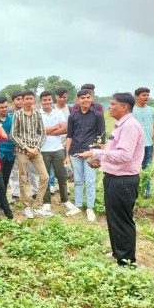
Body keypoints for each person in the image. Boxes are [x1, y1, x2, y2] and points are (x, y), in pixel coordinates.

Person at [76, 93, 144, 267]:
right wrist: (101, 162)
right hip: (114, 178)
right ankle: (117, 251)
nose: (109, 107)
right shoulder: (120, 125)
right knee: (114, 218)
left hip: (123, 181)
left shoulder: (129, 126)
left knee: (122, 220)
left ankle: (126, 260)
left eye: (113, 104)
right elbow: (116, 152)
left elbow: (124, 155)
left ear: (124, 107)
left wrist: (95, 153)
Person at [65, 89, 106, 222]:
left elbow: (101, 136)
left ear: (91, 98)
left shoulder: (98, 115)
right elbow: (69, 136)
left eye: (88, 97)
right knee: (77, 180)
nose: (86, 100)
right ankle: (77, 205)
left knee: (90, 180)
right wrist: (67, 154)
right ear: (78, 100)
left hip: (91, 153)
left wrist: (100, 155)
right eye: (82, 98)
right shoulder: (72, 116)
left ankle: (90, 207)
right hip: (75, 151)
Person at [10, 91, 50, 219]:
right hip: (22, 151)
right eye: (26, 98)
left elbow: (42, 133)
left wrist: (37, 147)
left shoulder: (37, 114)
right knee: (23, 178)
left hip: (35, 150)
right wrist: (26, 147)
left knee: (44, 176)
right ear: (22, 100)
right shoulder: (17, 114)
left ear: (34, 100)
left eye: (30, 98)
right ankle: (27, 206)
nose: (28, 101)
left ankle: (38, 205)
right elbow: (13, 134)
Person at [39, 91, 77, 215]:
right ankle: (46, 202)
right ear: (41, 101)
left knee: (62, 176)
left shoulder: (58, 112)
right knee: (44, 177)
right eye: (44, 100)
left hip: (58, 149)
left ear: (52, 100)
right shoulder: (37, 114)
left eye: (49, 100)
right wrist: (55, 127)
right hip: (43, 150)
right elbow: (38, 131)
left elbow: (65, 129)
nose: (47, 102)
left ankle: (65, 199)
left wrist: (46, 131)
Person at [8, 91, 38, 201]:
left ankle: (35, 192)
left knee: (33, 170)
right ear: (13, 101)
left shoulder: (32, 112)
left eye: (22, 99)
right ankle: (16, 194)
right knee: (15, 171)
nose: (20, 101)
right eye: (18, 99)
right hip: (14, 147)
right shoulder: (10, 114)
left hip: (30, 147)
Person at [132, 87, 154, 198]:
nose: (146, 97)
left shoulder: (152, 110)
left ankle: (147, 192)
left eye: (147, 95)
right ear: (137, 96)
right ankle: (134, 191)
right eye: (144, 95)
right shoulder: (131, 110)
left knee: (146, 169)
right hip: (134, 145)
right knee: (134, 169)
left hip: (148, 145)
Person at [50, 87, 72, 194]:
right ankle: (51, 185)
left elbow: (71, 127)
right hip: (53, 142)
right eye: (60, 97)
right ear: (56, 97)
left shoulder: (70, 109)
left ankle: (64, 186)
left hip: (66, 142)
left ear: (67, 96)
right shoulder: (51, 108)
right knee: (51, 166)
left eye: (64, 97)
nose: (62, 99)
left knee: (64, 166)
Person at [0, 96, 16, 202]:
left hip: (11, 153)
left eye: (5, 107)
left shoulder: (13, 119)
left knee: (6, 179)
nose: (4, 109)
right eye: (1, 107)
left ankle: (3, 202)